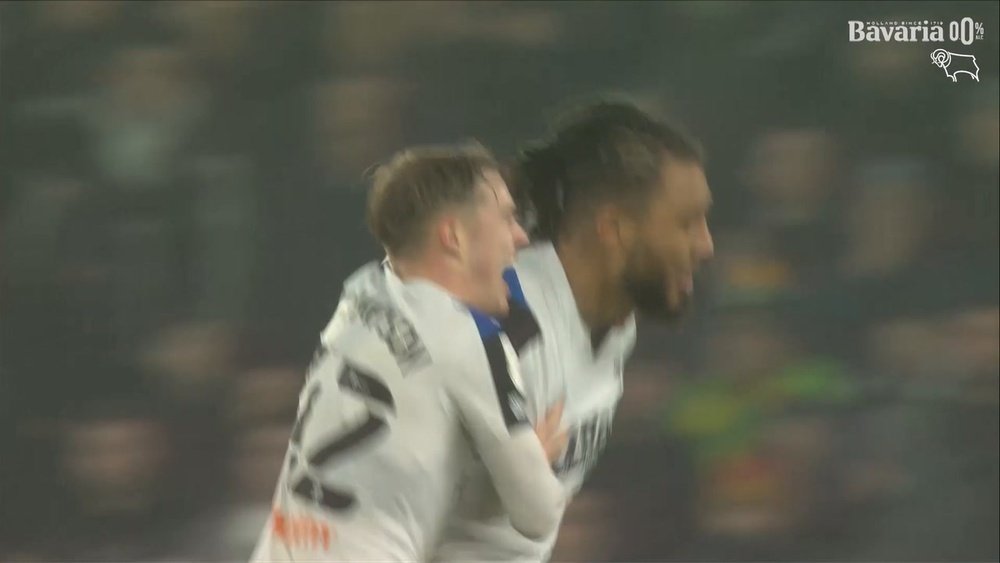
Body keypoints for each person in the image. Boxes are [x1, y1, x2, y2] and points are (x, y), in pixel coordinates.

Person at [250, 143, 567, 562]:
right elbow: (538, 514)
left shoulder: (358, 297)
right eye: (507, 219)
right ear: (454, 237)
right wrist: (535, 462)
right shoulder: (473, 339)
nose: (520, 238)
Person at [432, 99, 715, 561]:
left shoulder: (614, 324)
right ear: (616, 230)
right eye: (686, 223)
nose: (705, 246)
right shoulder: (501, 329)